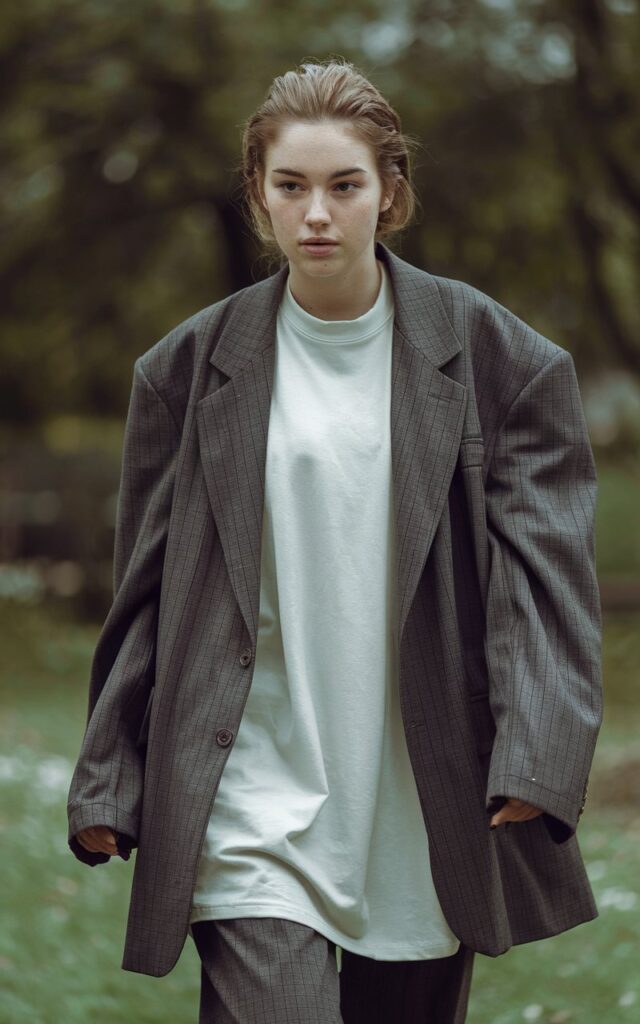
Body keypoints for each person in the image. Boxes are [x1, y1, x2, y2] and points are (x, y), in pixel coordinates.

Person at [67, 58, 603, 1024]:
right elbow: (146, 591)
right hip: (250, 792)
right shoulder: (185, 372)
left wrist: (536, 747)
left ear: (389, 193)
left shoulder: (502, 362)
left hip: (420, 797)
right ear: (259, 196)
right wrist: (111, 772)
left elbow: (546, 574)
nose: (317, 212)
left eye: (344, 185)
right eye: (291, 186)